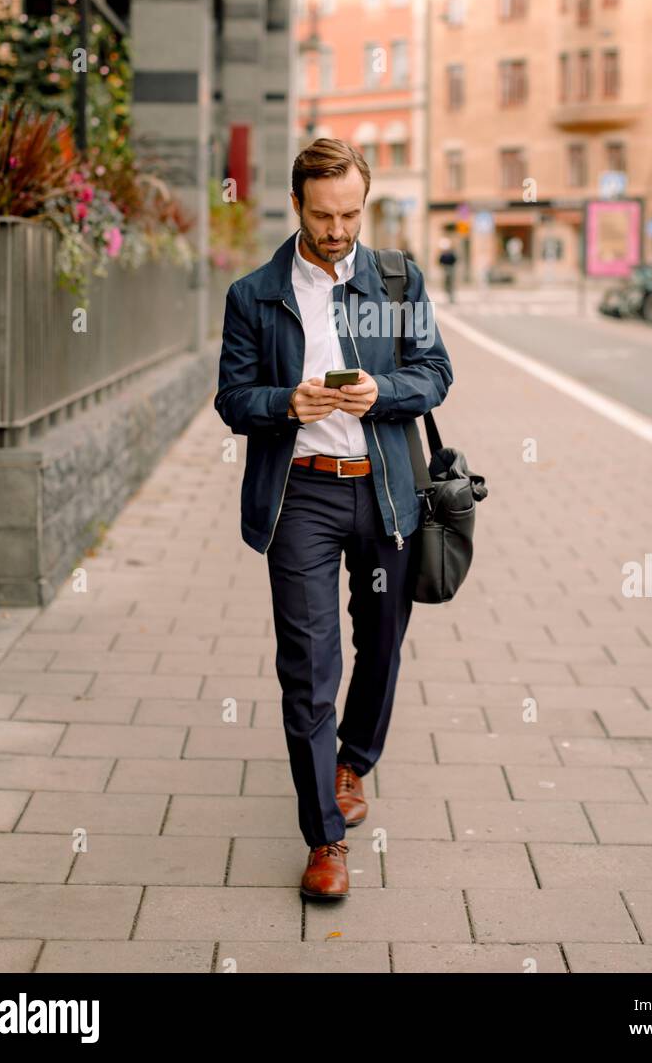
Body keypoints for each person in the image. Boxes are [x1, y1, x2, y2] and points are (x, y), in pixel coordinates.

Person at [214, 137, 453, 901]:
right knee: (309, 670)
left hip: (384, 494)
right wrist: (286, 403)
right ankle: (325, 836)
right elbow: (231, 399)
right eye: (323, 216)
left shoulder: (398, 278)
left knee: (381, 645)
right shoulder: (254, 294)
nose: (339, 230)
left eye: (351, 213)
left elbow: (436, 373)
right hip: (303, 498)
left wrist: (379, 392)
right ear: (296, 206)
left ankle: (355, 759)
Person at [438, 238, 458, 303]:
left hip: (451, 269)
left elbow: (455, 260)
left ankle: (451, 296)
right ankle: (448, 294)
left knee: (451, 283)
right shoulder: (443, 255)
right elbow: (440, 261)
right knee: (446, 283)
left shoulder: (451, 254)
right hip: (445, 269)